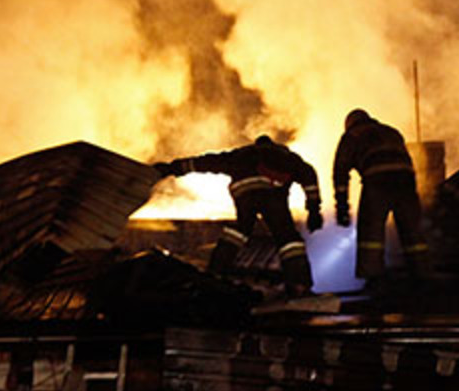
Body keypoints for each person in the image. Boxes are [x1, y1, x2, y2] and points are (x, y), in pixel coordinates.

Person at [156, 135, 322, 297]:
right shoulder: (287, 157)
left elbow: (207, 162)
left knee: (238, 232)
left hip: (245, 195)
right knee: (288, 238)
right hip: (273, 194)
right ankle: (299, 284)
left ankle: (216, 273)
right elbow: (308, 175)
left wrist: (171, 168)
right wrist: (313, 210)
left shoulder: (242, 154)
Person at [332, 109, 432, 287]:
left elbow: (340, 170)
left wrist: (342, 206)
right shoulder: (391, 131)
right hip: (406, 182)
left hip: (377, 182)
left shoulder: (352, 135)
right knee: (412, 231)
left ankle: (374, 278)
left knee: (371, 232)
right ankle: (421, 273)